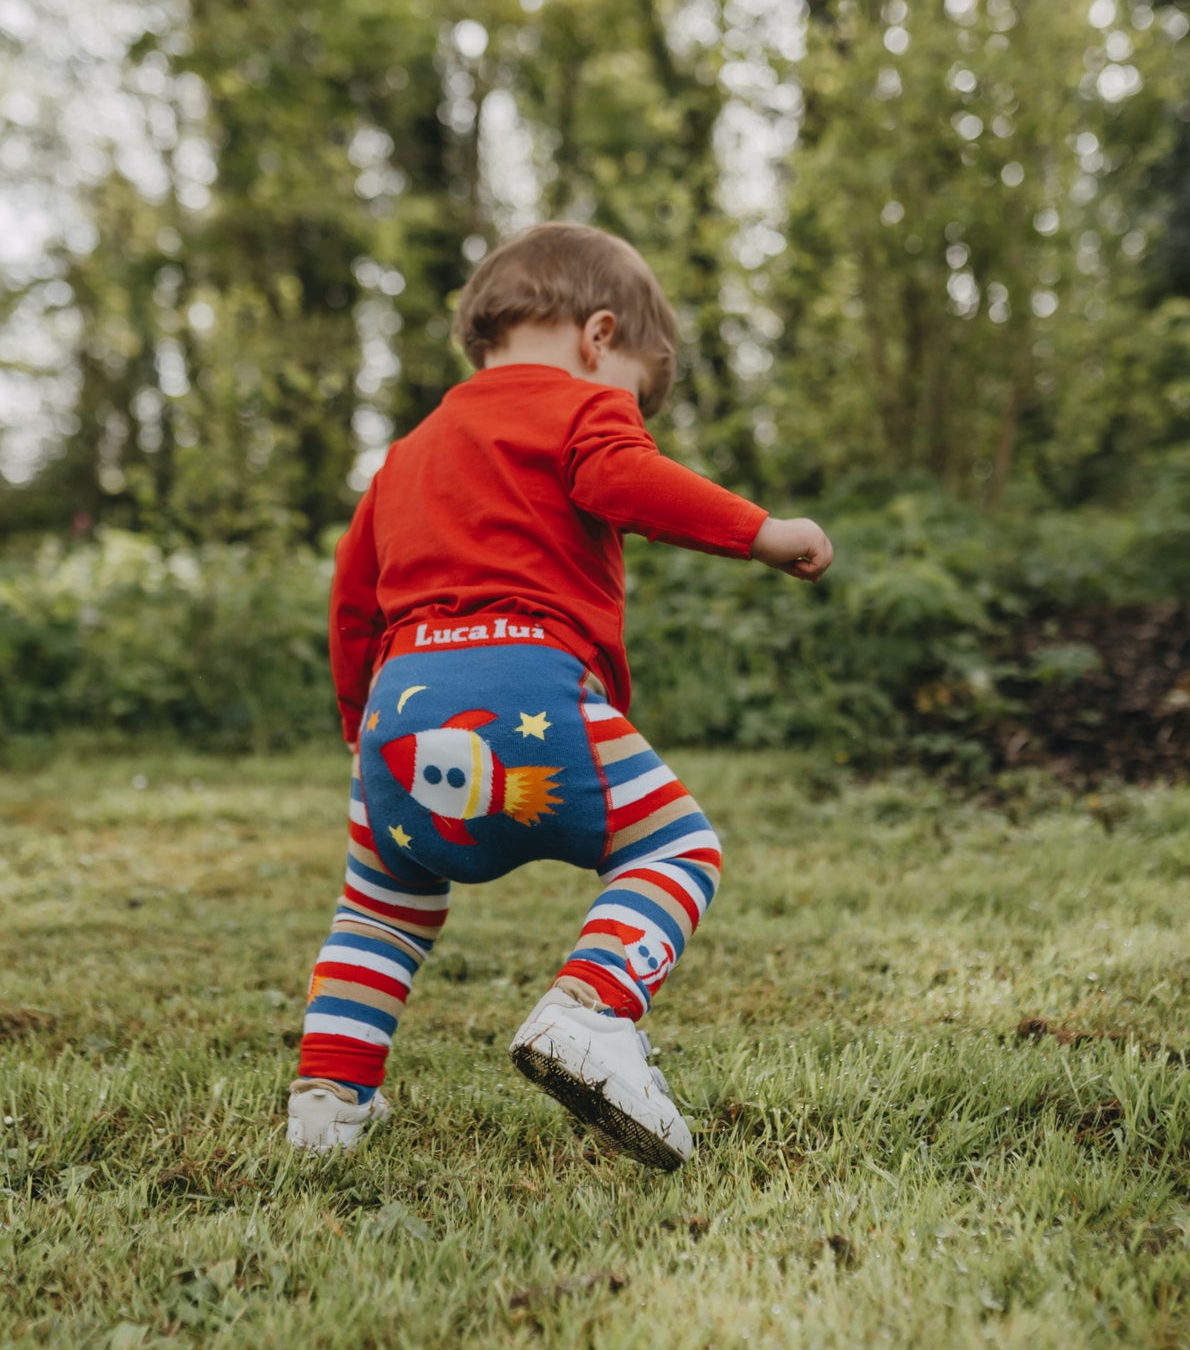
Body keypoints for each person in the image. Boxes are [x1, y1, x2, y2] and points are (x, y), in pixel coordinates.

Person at [289, 222, 834, 1171]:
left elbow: (350, 595)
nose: (627, 413)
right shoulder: (579, 407)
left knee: (378, 909)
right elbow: (625, 477)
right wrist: (760, 531)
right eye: (633, 391)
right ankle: (591, 1007)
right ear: (597, 335)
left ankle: (327, 1105)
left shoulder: (407, 454)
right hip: (530, 689)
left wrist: (356, 728)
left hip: (397, 713)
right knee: (676, 846)